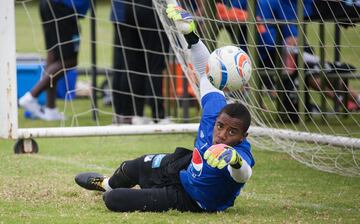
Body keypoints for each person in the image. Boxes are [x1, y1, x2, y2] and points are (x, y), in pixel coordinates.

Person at [74, 4, 254, 213]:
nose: (222, 135)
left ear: (243, 136)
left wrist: (235, 160)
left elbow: (244, 174)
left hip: (192, 199)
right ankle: (107, 183)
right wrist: (191, 36)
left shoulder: (240, 154)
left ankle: (114, 191)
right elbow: (205, 73)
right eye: (220, 126)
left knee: (114, 200)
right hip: (184, 168)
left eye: (232, 132)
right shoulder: (216, 111)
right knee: (133, 166)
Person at [18, 0, 90, 121]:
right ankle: (30, 97)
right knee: (70, 61)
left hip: (48, 4)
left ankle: (50, 110)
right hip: (63, 7)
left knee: (53, 57)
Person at [110, 0, 171, 125]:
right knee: (155, 64)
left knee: (135, 65)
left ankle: (137, 114)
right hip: (150, 7)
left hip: (127, 9)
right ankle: (158, 116)